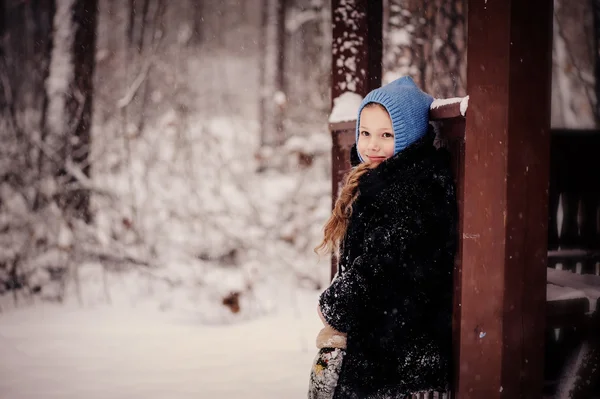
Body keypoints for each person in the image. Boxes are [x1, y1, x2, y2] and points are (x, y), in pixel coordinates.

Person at [308, 76, 457, 399]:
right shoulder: (379, 182)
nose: (372, 145)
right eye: (365, 133)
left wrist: (336, 304)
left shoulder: (412, 192)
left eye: (386, 135)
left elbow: (383, 261)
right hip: (384, 336)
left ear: (410, 138)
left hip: (403, 349)